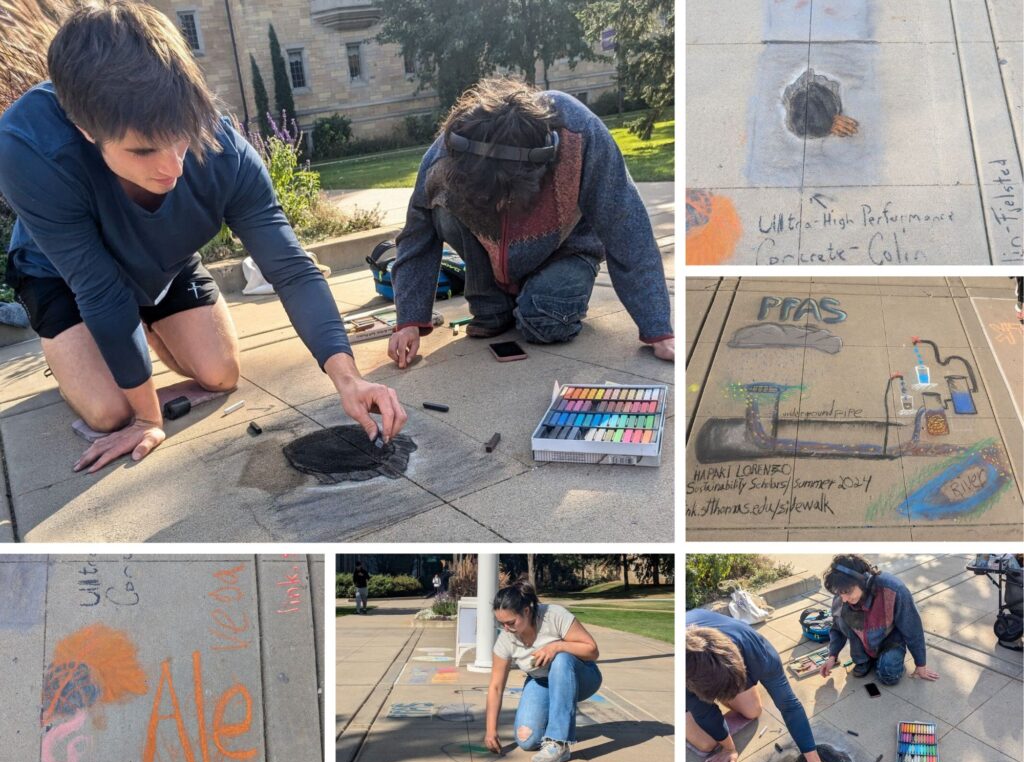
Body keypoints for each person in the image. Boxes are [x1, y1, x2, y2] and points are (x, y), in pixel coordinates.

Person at [0, 2, 405, 475]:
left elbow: (291, 268)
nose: (172, 167)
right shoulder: (26, 149)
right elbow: (100, 290)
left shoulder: (220, 145)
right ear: (87, 130)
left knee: (220, 375)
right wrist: (148, 417)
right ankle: (79, 350)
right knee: (112, 413)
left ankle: (139, 330)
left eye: (180, 137)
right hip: (63, 277)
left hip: (161, 262)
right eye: (143, 150)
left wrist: (348, 378)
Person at [387, 78, 673, 369]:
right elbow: (416, 237)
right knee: (442, 209)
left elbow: (626, 225)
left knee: (545, 323)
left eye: (505, 198)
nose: (500, 206)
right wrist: (408, 320)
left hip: (565, 248)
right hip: (489, 253)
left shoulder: (580, 131)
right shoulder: (445, 153)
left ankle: (527, 297)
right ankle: (492, 302)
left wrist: (657, 328)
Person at [686, 609, 845, 762]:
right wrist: (728, 749)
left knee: (753, 710)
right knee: (706, 743)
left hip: (716, 648)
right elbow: (706, 715)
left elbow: (789, 705)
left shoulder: (759, 652)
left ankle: (727, 687)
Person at [484, 579, 600, 762]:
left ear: (527, 611)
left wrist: (556, 646)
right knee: (527, 741)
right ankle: (556, 716)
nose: (506, 629)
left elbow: (592, 650)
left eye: (511, 622)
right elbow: (496, 687)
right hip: (541, 681)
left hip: (582, 677)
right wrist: (490, 731)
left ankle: (559, 743)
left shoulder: (553, 616)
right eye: (501, 624)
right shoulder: (505, 639)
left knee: (561, 659)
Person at [819, 555, 939, 685]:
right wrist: (832, 656)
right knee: (841, 615)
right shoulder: (842, 594)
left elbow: (912, 627)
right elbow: (837, 628)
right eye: (840, 593)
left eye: (848, 592)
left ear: (863, 579)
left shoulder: (894, 588)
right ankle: (863, 660)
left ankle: (884, 660)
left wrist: (920, 665)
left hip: (889, 640)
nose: (844, 599)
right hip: (862, 644)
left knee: (889, 675)